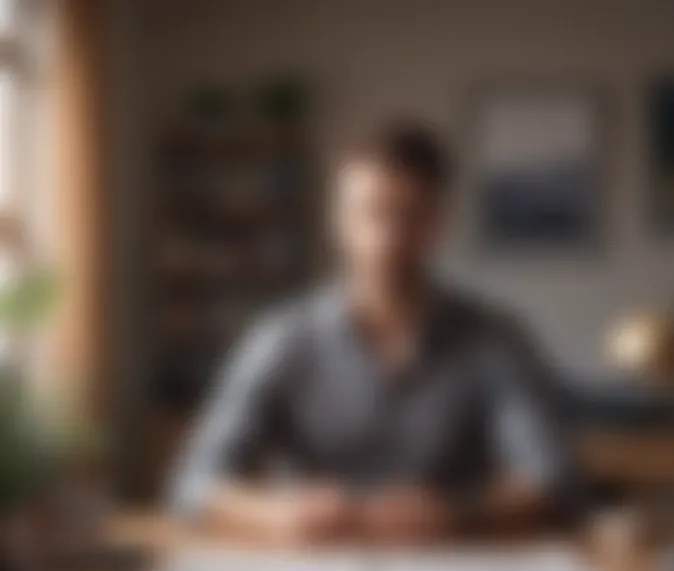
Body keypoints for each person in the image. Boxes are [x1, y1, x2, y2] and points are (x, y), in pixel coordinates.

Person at [171, 119, 569, 546]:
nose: (386, 238)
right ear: (338, 220)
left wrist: (459, 513)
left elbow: (556, 482)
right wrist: (277, 514)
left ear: (437, 223)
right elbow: (192, 485)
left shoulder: (495, 339)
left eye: (409, 215)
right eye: (369, 213)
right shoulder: (281, 338)